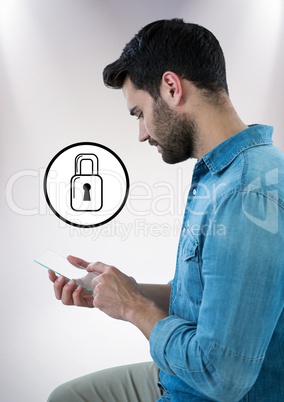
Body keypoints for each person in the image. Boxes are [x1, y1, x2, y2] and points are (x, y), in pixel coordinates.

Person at [47, 19, 284, 401]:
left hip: (201, 390)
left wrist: (132, 306)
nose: (141, 133)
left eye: (139, 113)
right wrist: (119, 291)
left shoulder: (244, 193)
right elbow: (203, 300)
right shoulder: (220, 173)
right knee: (68, 395)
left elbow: (222, 376)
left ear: (171, 88)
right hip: (177, 376)